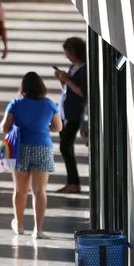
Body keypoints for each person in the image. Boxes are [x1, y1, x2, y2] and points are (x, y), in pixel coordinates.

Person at [1, 71, 61, 239]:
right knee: (40, 191)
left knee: (20, 190)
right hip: (42, 148)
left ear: (23, 87)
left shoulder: (15, 104)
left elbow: (4, 127)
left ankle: (19, 226)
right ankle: (38, 230)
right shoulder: (49, 105)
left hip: (21, 149)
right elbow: (58, 127)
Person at [53, 36, 88, 194]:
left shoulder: (83, 70)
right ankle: (72, 182)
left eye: (68, 52)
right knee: (66, 147)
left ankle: (74, 183)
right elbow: (68, 88)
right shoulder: (74, 67)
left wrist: (67, 79)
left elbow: (82, 92)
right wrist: (63, 79)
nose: (66, 55)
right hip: (65, 112)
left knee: (65, 147)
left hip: (75, 114)